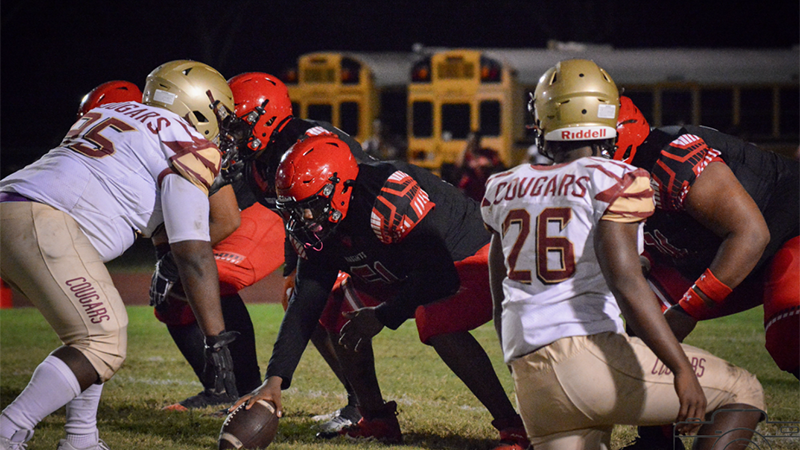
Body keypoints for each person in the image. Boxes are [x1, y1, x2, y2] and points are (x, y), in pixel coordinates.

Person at [481, 58, 765, 450]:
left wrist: (516, 361)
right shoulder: (618, 178)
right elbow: (628, 285)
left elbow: (501, 296)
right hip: (589, 359)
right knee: (742, 390)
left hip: (529, 375)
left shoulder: (504, 185)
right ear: (607, 116)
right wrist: (680, 369)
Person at [231, 134, 530, 449]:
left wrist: (383, 315)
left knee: (436, 320)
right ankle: (376, 418)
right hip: (403, 264)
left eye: (311, 205)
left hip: (466, 257)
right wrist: (274, 380)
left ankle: (514, 427)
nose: (304, 218)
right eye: (295, 209)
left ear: (341, 187)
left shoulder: (387, 197)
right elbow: (307, 300)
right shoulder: (320, 219)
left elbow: (438, 277)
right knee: (334, 307)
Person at [0, 60, 236, 450]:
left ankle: (81, 438)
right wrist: (215, 340)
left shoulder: (108, 112)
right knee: (103, 341)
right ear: (196, 108)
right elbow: (192, 253)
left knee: (91, 332)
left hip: (13, 205)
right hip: (43, 221)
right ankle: (9, 429)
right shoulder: (184, 139)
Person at [220, 72, 373, 433]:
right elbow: (293, 219)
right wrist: (294, 266)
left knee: (333, 307)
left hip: (359, 236)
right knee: (300, 302)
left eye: (240, 126)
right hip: (323, 243)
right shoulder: (260, 164)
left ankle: (365, 406)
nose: (233, 136)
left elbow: (357, 190)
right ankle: (359, 400)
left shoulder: (312, 143)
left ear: (266, 117)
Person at [615, 95, 800, 384]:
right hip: (715, 252)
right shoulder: (605, 177)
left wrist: (686, 311)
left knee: (789, 329)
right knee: (641, 324)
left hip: (781, 234)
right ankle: (656, 428)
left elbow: (751, 235)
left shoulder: (670, 161)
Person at [455, 131, 506, 201]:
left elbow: (498, 164)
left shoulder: (485, 153)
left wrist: (487, 163)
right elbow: (460, 165)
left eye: (476, 141)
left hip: (483, 185)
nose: (474, 144)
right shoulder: (467, 155)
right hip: (471, 186)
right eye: (472, 141)